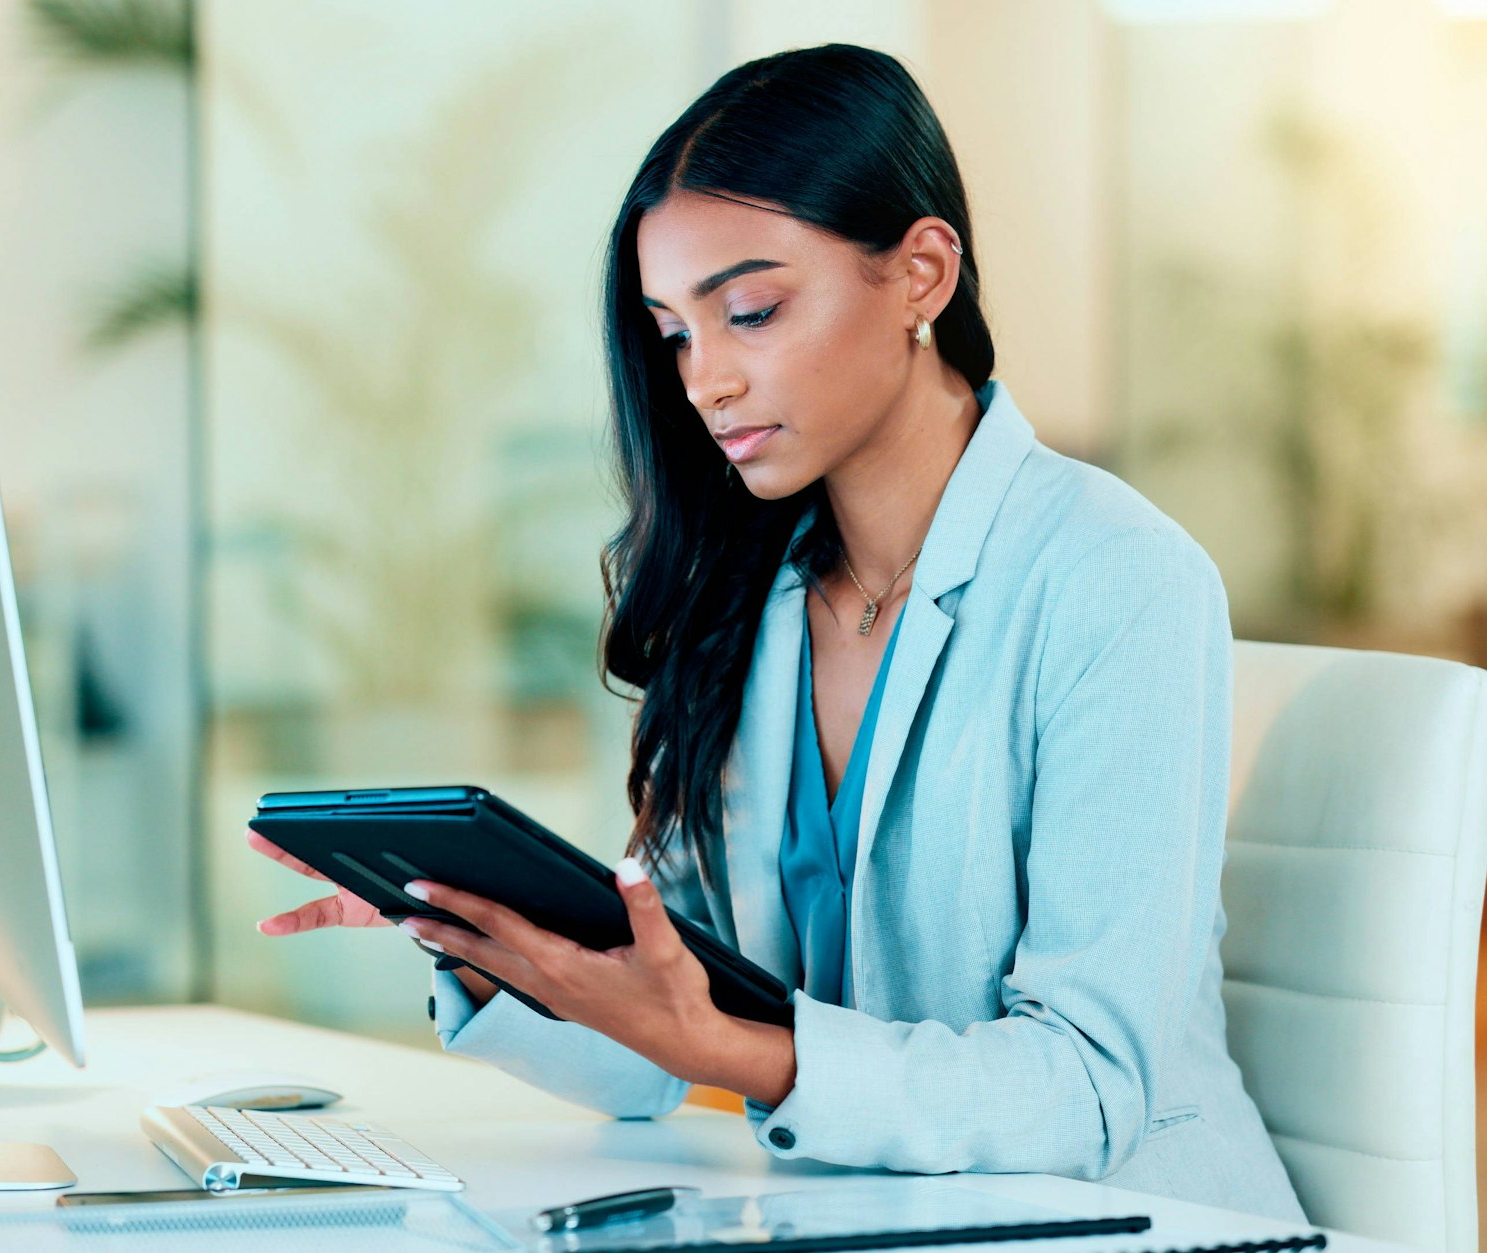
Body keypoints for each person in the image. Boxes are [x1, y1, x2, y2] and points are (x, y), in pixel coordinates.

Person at [247, 42, 1307, 1223]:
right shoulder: (750, 598)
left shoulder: (1116, 578)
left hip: (1133, 1222)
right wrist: (474, 930)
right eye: (676, 335)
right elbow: (655, 1050)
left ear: (919, 273)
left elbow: (1085, 1088)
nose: (705, 382)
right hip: (866, 1217)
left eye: (748, 311)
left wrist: (742, 1051)